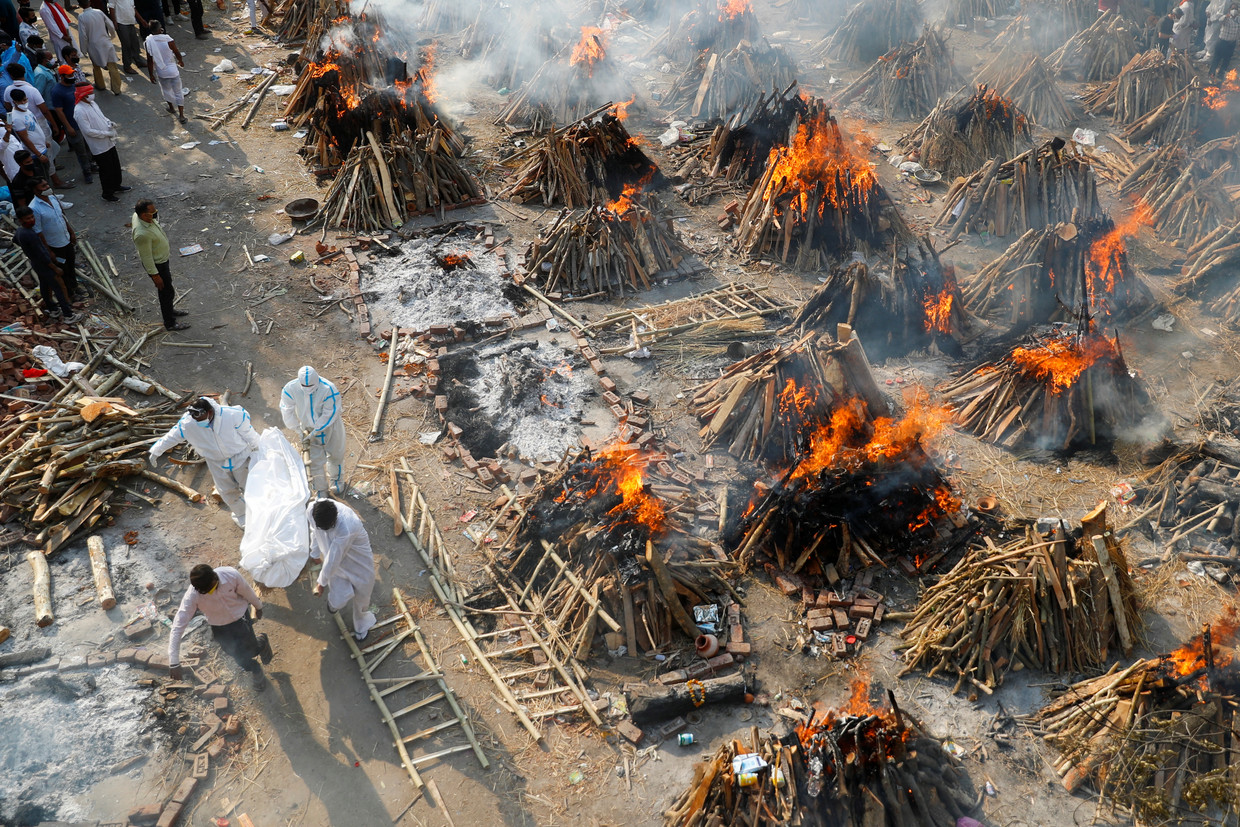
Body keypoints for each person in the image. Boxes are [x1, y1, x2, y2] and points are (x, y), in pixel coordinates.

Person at [150, 397, 259, 525]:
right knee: (226, 490)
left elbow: (248, 433)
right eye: (195, 419)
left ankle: (260, 511)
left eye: (201, 419)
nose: (198, 421)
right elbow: (172, 436)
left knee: (250, 485)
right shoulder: (188, 423)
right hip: (216, 462)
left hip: (240, 456)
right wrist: (156, 450)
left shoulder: (231, 415)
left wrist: (259, 447)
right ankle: (242, 514)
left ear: (210, 412)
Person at [168, 564, 273, 690]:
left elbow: (247, 591)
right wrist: (174, 662)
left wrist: (258, 606)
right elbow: (177, 626)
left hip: (241, 620)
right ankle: (256, 669)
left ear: (215, 576)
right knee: (237, 656)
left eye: (212, 587)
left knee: (252, 650)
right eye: (206, 592)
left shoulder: (230, 575)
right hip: (220, 628)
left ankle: (261, 641)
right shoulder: (193, 595)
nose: (211, 592)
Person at [308, 498, 376, 641]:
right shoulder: (311, 510)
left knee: (363, 592)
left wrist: (321, 582)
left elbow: (334, 557)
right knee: (339, 595)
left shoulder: (346, 526)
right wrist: (314, 553)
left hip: (357, 555)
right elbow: (314, 532)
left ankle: (361, 623)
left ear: (335, 519)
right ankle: (334, 603)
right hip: (333, 555)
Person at [280, 366, 346, 494]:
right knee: (314, 461)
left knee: (336, 454)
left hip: (331, 426)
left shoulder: (328, 389)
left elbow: (330, 413)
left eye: (311, 385)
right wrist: (296, 428)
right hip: (307, 429)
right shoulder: (290, 389)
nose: (308, 388)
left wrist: (317, 429)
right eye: (304, 386)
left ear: (317, 380)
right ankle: (321, 489)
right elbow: (286, 409)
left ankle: (337, 480)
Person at [14, 205, 80, 322]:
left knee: (45, 286)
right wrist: (55, 268)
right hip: (45, 265)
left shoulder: (20, 231)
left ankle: (53, 309)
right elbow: (42, 255)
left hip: (36, 264)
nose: (32, 220)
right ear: (21, 220)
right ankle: (68, 315)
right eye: (28, 218)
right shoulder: (30, 234)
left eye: (32, 217)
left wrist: (28, 250)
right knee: (59, 288)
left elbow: (14, 240)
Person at [131, 198, 190, 329]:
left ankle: (170, 310)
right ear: (143, 215)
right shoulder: (142, 234)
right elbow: (146, 257)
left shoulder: (138, 216)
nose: (155, 215)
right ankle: (170, 323)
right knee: (166, 293)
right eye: (152, 213)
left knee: (168, 290)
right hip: (158, 265)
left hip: (162, 261)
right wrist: (155, 276)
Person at [30, 177, 82, 303]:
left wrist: (71, 232)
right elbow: (38, 232)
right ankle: (69, 293)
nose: (47, 187)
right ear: (35, 190)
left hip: (65, 239)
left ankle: (74, 286)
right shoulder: (34, 208)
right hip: (54, 245)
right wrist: (49, 251)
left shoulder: (52, 198)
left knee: (71, 265)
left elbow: (62, 217)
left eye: (47, 184)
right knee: (63, 270)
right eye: (43, 186)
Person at [74, 84, 128, 199]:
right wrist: (106, 134)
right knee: (106, 170)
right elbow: (88, 131)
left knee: (115, 165)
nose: (92, 95)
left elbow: (102, 117)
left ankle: (116, 185)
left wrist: (109, 123)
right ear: (83, 95)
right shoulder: (79, 111)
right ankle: (107, 193)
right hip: (99, 146)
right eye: (90, 93)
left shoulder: (93, 103)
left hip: (109, 141)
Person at [7, 88, 69, 188]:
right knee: (42, 179)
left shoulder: (26, 110)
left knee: (46, 173)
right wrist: (38, 154)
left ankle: (51, 194)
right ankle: (48, 195)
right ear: (14, 102)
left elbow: (35, 127)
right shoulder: (16, 118)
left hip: (42, 147)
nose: (24, 103)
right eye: (21, 101)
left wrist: (44, 141)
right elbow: (24, 139)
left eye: (25, 100)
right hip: (36, 153)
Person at [50, 66, 96, 184]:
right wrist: (68, 127)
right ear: (62, 76)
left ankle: (92, 165)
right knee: (81, 151)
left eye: (72, 74)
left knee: (89, 146)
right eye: (69, 75)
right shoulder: (57, 91)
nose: (72, 77)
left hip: (83, 122)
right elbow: (59, 111)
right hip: (73, 125)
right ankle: (86, 172)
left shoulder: (74, 86)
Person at [77, 0, 123, 94]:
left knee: (96, 66)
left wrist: (83, 49)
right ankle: (117, 89)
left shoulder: (82, 17)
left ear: (80, 5)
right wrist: (111, 36)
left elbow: (83, 35)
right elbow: (110, 25)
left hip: (93, 45)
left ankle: (100, 85)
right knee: (112, 66)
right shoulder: (99, 12)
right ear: (89, 2)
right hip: (106, 42)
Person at [144, 20, 183, 123]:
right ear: (159, 29)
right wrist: (180, 61)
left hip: (162, 72)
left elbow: (149, 60)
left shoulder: (149, 41)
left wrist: (151, 74)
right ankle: (182, 115)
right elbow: (176, 52)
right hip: (173, 71)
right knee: (178, 92)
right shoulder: (168, 39)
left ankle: (171, 108)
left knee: (166, 91)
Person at [108, 0, 147, 74]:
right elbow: (111, 8)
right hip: (121, 22)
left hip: (131, 21)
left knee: (135, 43)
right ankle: (127, 66)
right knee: (126, 45)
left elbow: (133, 8)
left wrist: (141, 20)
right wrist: (114, 22)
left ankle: (138, 61)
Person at [37, 0, 73, 69]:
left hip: (65, 34)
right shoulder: (44, 9)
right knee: (63, 57)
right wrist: (63, 37)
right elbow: (52, 26)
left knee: (70, 54)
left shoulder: (54, 4)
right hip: (59, 37)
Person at [1210, 4, 1240, 74]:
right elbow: (1220, 20)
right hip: (1222, 42)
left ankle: (1221, 76)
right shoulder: (1226, 18)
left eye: (1236, 9)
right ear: (1229, 10)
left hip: (1231, 44)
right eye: (1232, 9)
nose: (1234, 10)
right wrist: (1226, 16)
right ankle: (1211, 74)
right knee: (1216, 59)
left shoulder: (1238, 19)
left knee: (1226, 61)